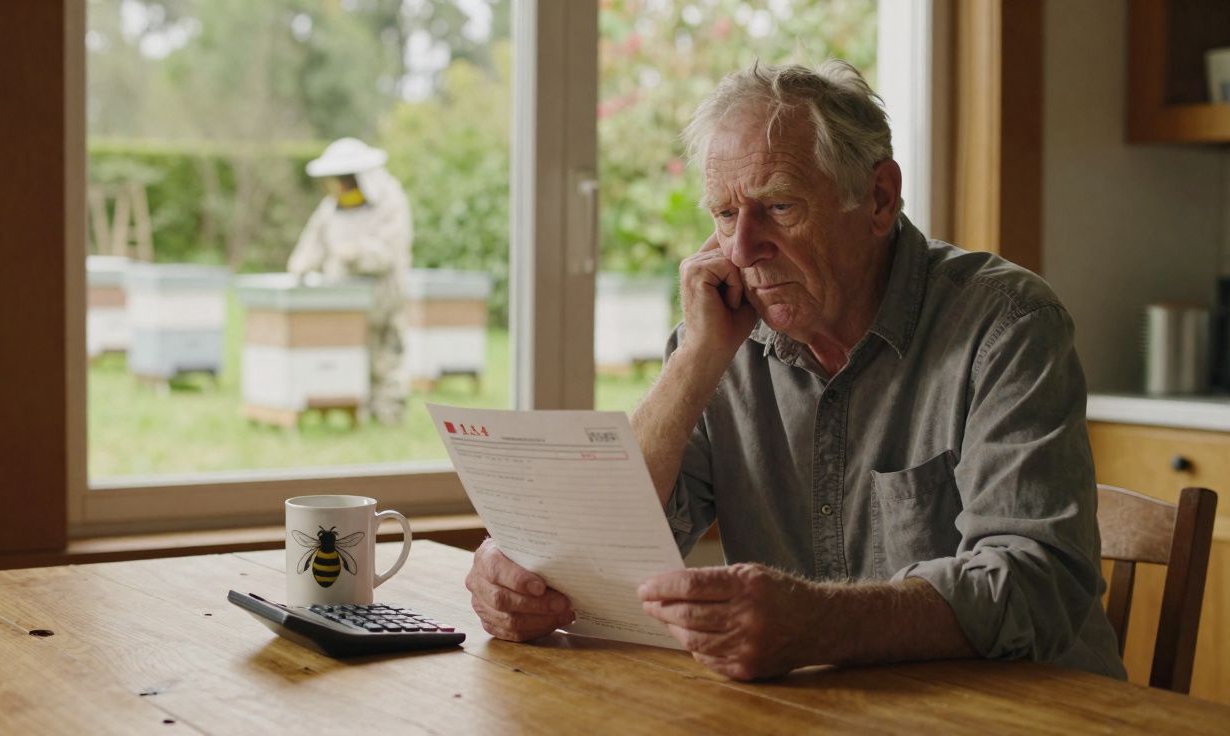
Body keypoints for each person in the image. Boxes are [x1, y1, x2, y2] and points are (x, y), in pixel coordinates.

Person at [464, 61, 1127, 682]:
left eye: (779, 207)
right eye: (725, 214)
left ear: (879, 198)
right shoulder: (720, 336)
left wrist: (821, 625)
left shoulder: (1007, 324)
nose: (743, 248)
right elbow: (605, 547)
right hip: (831, 709)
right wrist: (526, 570)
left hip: (1030, 708)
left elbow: (1038, 583)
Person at [288, 137, 412, 425]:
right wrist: (299, 266)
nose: (339, 186)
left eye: (344, 179)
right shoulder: (332, 206)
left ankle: (389, 413)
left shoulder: (390, 201)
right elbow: (313, 242)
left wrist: (357, 253)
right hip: (343, 298)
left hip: (382, 296)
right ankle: (356, 408)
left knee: (385, 357)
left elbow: (388, 252)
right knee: (348, 355)